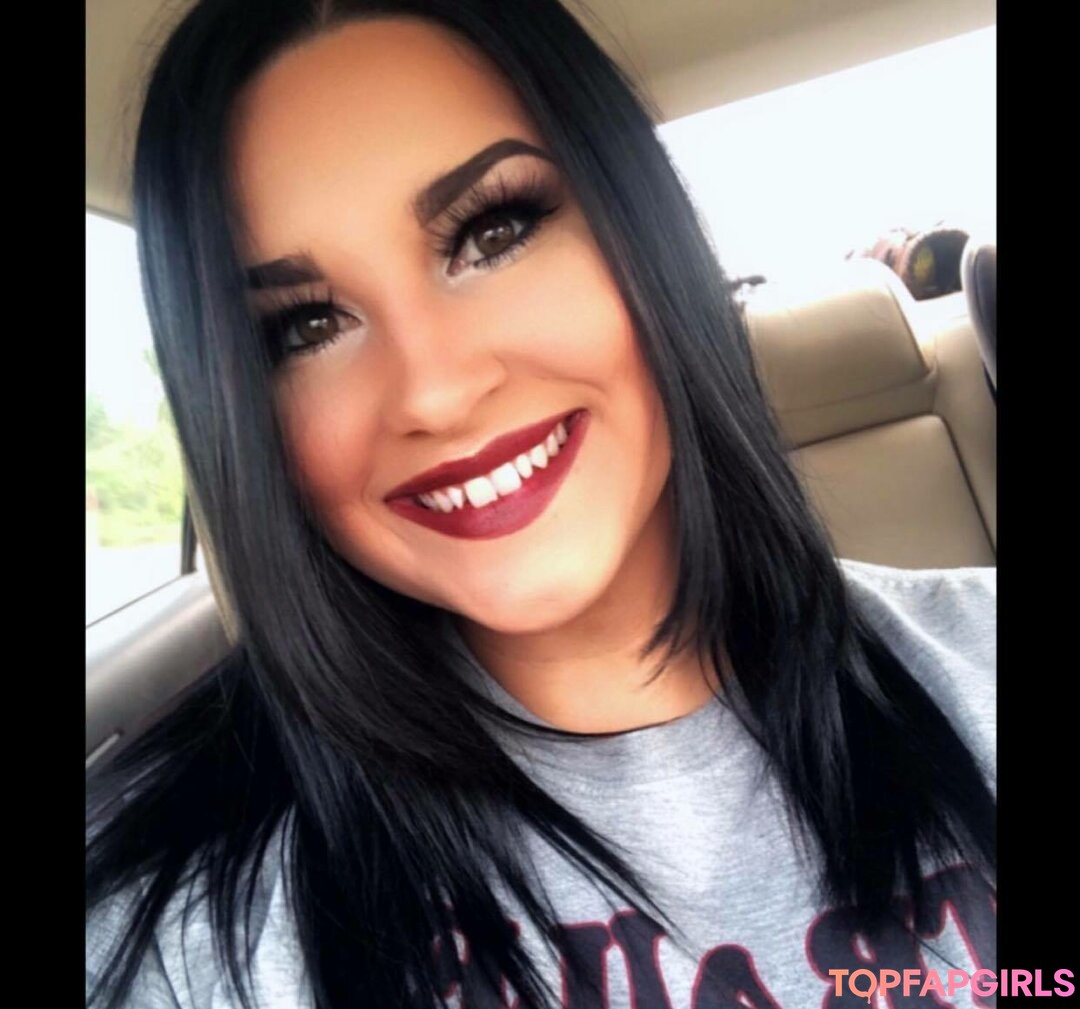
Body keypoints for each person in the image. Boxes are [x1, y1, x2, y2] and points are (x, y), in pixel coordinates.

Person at [85, 1, 997, 1007]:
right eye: (302, 327)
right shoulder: (177, 930)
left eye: (494, 232)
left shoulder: (980, 662)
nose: (434, 392)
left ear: (642, 230)